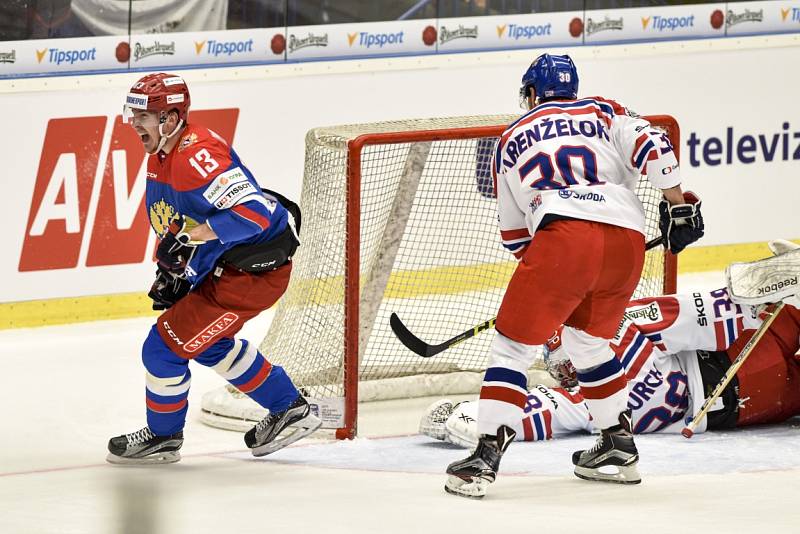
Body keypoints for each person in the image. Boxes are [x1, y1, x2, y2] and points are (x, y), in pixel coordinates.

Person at [444, 54, 705, 498]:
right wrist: (679, 206)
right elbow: (656, 146)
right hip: (625, 242)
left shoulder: (509, 138)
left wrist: (549, 286)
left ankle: (484, 457)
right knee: (588, 343)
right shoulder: (602, 110)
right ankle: (618, 446)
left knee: (512, 346)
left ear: (529, 93)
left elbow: (515, 239)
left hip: (562, 241)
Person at [107, 73, 321, 464]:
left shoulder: (194, 155)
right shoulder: (165, 152)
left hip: (248, 276)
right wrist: (176, 267)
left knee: (162, 349)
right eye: (132, 114)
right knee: (208, 345)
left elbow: (254, 214)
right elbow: (181, 217)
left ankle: (163, 437)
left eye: (143, 115)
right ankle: (289, 406)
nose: (133, 123)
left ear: (170, 119)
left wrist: (192, 239)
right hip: (229, 269)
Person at [422, 279, 800, 448]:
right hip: (746, 365)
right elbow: (703, 314)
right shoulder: (625, 323)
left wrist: (467, 415)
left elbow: (532, 414)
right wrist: (760, 292)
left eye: (564, 367)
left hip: (744, 399)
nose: (568, 376)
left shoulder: (592, 399)